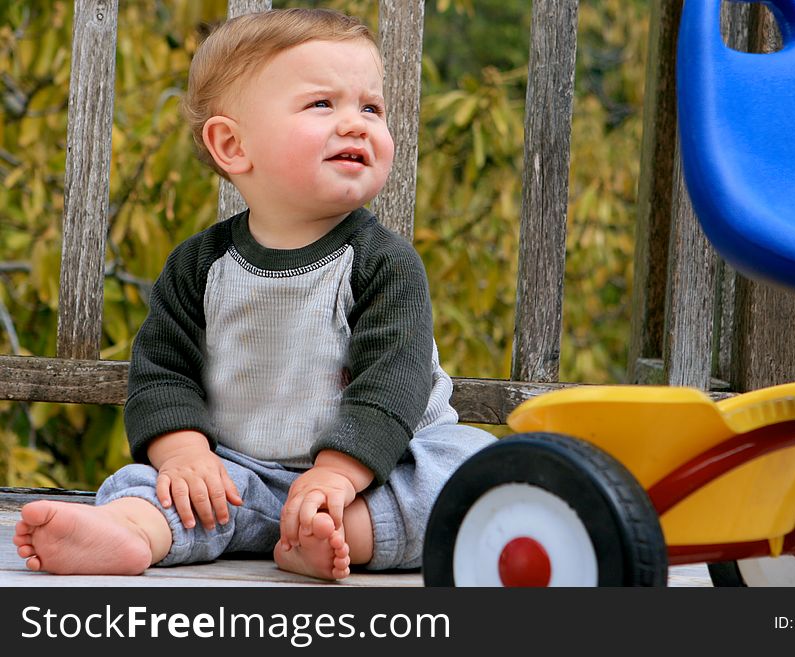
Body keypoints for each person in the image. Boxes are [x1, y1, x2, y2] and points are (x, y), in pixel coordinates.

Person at [13, 7, 495, 581]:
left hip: (378, 470)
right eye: (323, 104)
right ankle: (128, 532)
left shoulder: (383, 264)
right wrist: (185, 454)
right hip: (240, 476)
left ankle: (339, 536)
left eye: (371, 107)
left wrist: (337, 476)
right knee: (152, 483)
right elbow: (163, 372)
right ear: (232, 145)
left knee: (465, 466)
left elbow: (393, 381)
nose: (356, 123)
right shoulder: (201, 266)